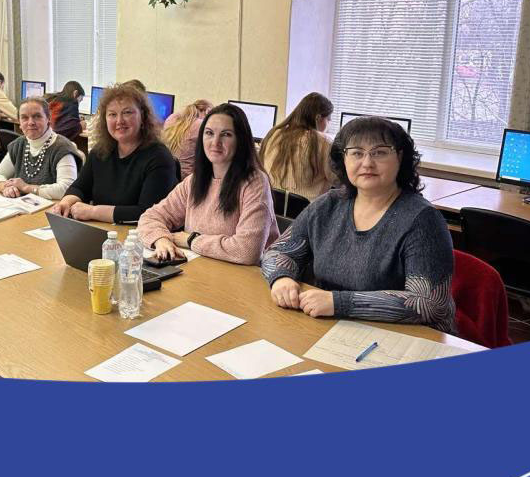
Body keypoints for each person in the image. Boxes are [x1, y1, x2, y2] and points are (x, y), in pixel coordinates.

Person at [260, 116, 456, 333]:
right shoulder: (328, 204)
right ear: (343, 159)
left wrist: (340, 302)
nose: (367, 163)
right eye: (356, 153)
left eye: (380, 152)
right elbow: (278, 251)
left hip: (406, 336)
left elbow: (429, 303)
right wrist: (281, 278)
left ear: (400, 157)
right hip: (332, 326)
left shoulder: (423, 219)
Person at [139, 103, 278, 265]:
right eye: (209, 133)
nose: (215, 142)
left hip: (245, 275)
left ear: (241, 141)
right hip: (203, 268)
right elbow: (150, 217)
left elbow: (247, 251)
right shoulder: (195, 180)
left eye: (226, 134)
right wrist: (161, 239)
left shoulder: (255, 183)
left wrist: (191, 240)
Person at [50, 82, 177, 223]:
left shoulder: (159, 157)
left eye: (127, 112)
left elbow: (147, 213)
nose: (119, 121)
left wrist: (93, 211)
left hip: (137, 234)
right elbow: (80, 187)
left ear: (142, 116)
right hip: (102, 230)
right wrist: (66, 203)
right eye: (112, 114)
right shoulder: (100, 151)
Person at [0, 98, 84, 201]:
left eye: (37, 116)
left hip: (52, 207)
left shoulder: (62, 148)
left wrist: (27, 188)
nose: (31, 122)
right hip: (23, 206)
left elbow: (67, 188)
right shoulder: (19, 144)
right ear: (19, 122)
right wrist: (5, 187)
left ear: (48, 119)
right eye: (24, 118)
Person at [258, 92, 335, 201]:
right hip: (309, 210)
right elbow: (338, 180)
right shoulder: (324, 142)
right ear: (318, 118)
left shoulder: (274, 134)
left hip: (273, 205)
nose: (328, 124)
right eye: (328, 120)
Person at [161, 99, 213, 179]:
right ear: (206, 112)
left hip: (165, 173)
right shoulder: (201, 125)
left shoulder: (171, 119)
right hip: (185, 179)